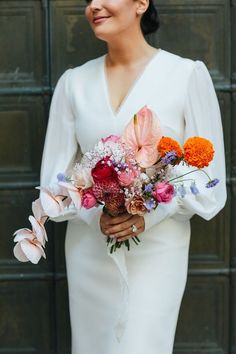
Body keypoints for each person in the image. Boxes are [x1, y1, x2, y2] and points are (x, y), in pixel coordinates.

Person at [40, 0, 227, 353]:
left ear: (141, 3)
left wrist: (151, 212)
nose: (93, 6)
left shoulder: (186, 75)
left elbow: (209, 179)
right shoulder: (73, 83)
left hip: (158, 251)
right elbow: (54, 180)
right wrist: (98, 210)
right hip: (89, 249)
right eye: (87, 0)